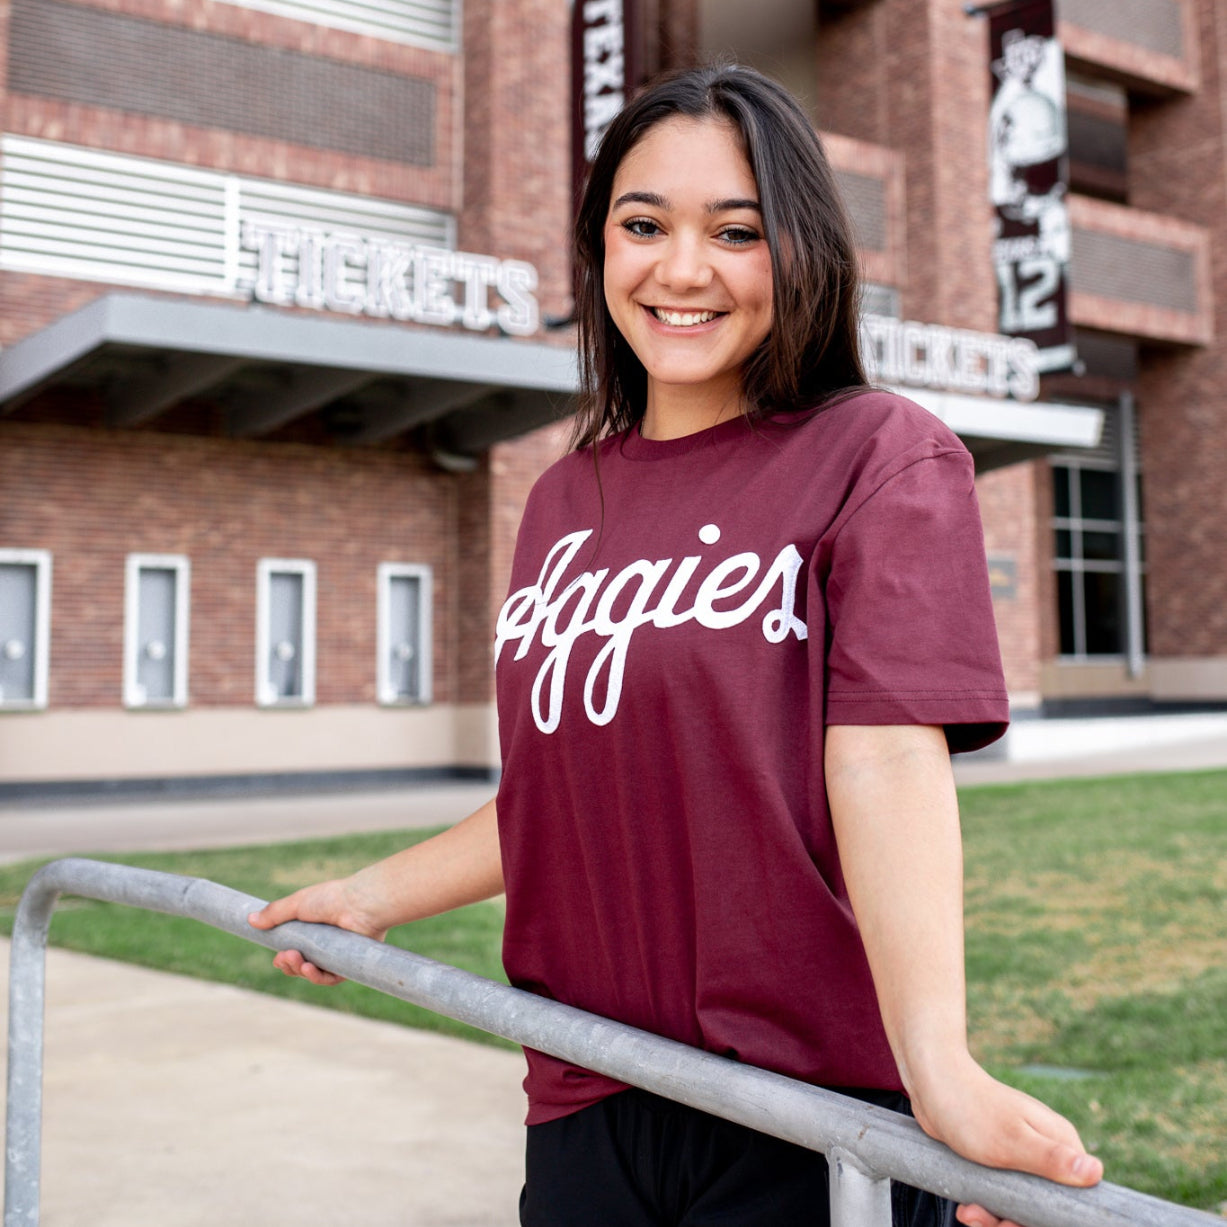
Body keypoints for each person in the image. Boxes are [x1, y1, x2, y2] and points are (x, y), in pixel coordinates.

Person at [249, 63, 1103, 1227]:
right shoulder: (564, 497)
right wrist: (368, 892)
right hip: (584, 1094)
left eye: (735, 231)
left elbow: (888, 760)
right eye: (642, 224)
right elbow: (567, 791)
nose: (681, 269)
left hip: (810, 1117)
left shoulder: (882, 455)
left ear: (799, 250)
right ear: (601, 250)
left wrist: (938, 1066)